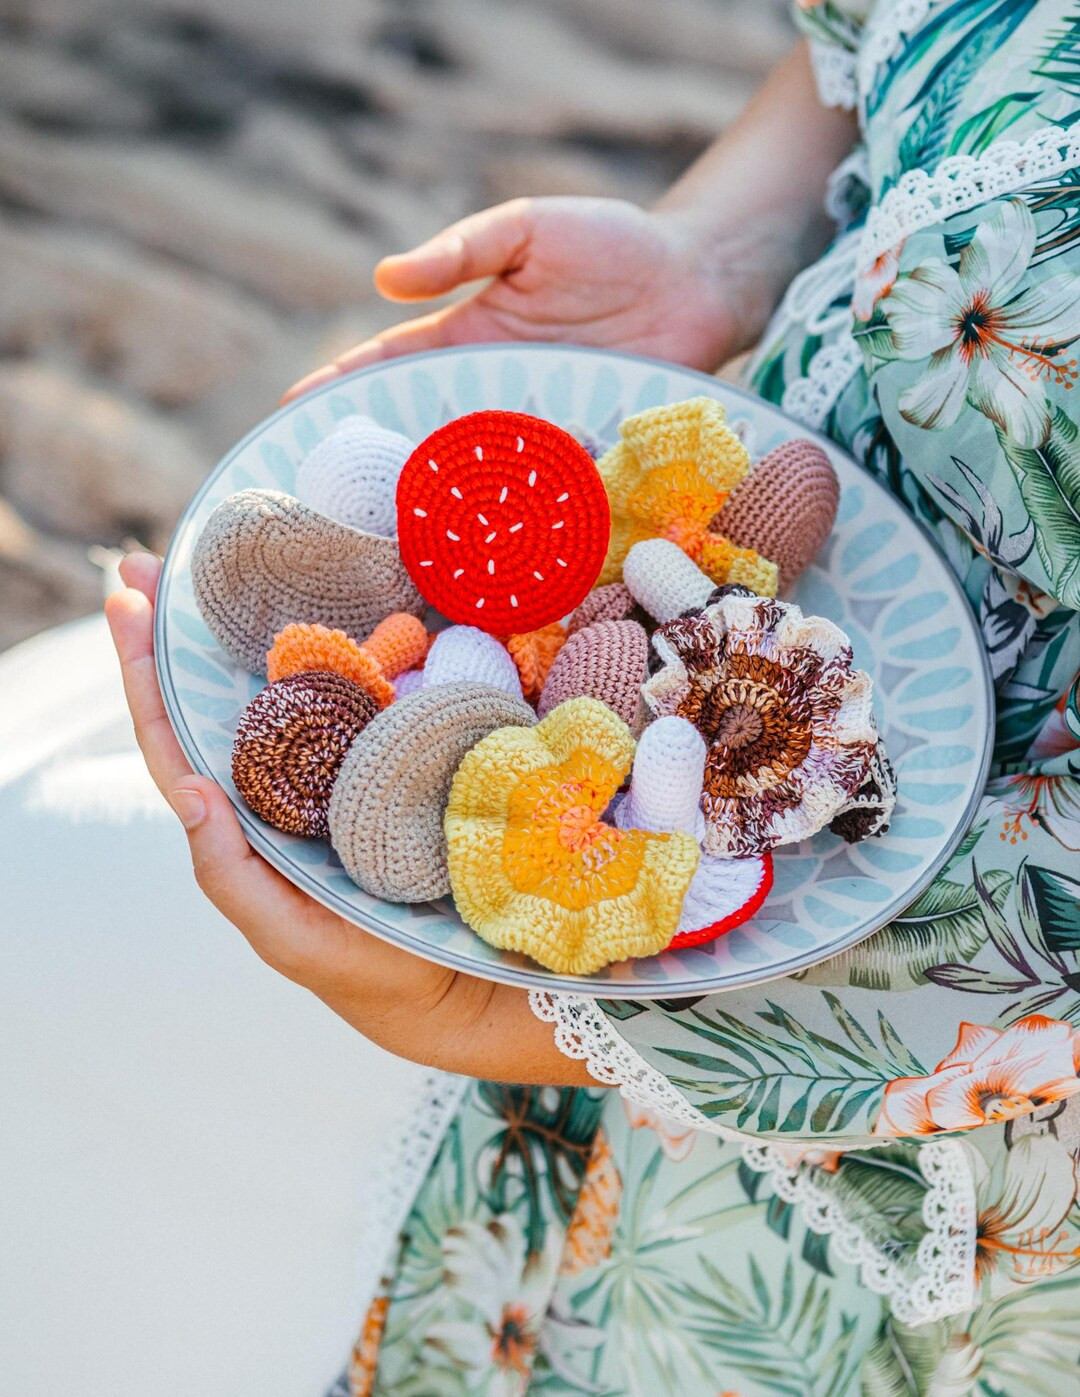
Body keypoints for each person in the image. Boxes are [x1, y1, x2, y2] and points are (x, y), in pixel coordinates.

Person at [108, 5, 1080, 1393]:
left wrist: (528, 1028)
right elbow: (865, 45)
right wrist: (714, 254)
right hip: (653, 702)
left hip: (907, 1050)